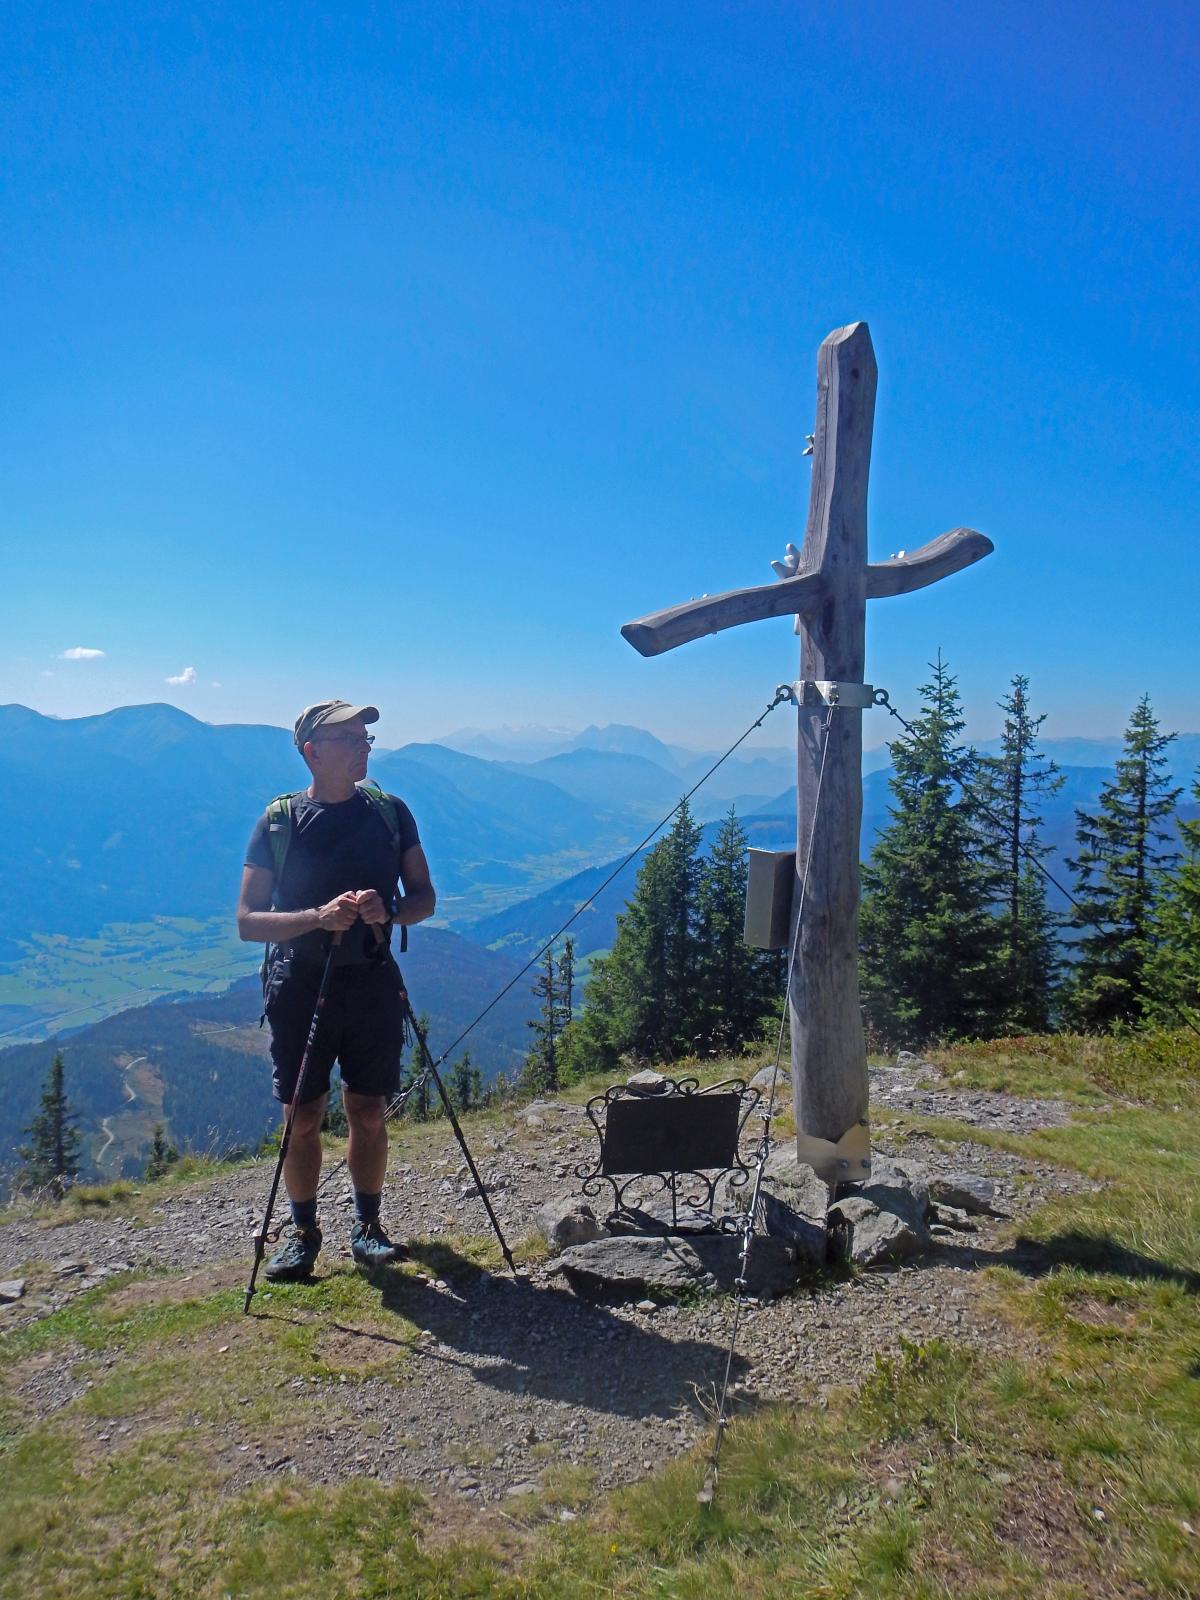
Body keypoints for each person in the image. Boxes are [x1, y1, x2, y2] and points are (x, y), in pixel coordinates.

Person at [236, 699, 435, 1279]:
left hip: (371, 979)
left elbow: (424, 900)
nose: (364, 746)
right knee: (302, 1114)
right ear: (312, 752)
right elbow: (248, 921)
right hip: (298, 982)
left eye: (366, 736)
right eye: (350, 737)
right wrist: (318, 918)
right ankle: (302, 1234)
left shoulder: (390, 813)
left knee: (368, 1110)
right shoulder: (280, 822)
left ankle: (367, 1226)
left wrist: (390, 909)